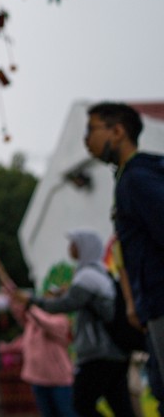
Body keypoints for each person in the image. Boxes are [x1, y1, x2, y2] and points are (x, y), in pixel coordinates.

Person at [84, 101, 164, 398]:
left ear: (117, 132)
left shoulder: (137, 180)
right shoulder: (129, 179)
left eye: (91, 130)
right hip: (151, 304)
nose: (86, 140)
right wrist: (134, 302)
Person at [15, 228, 134, 417]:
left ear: (84, 247)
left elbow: (63, 305)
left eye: (73, 244)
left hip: (98, 352)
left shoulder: (86, 277)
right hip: (114, 351)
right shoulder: (99, 273)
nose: (70, 248)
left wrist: (31, 301)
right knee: (120, 406)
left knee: (81, 404)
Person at [0, 283, 76, 417]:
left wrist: (29, 303)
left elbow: (43, 321)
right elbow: (19, 310)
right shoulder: (31, 320)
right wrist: (12, 292)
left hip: (60, 382)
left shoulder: (61, 321)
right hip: (38, 380)